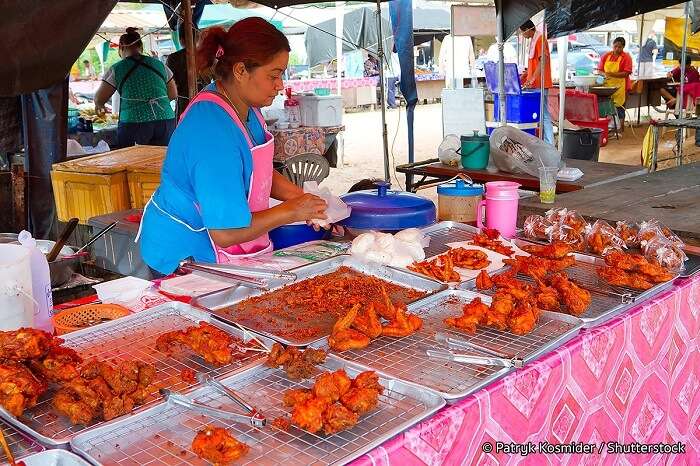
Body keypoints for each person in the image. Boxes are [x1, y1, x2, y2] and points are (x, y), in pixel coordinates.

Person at [138, 18, 328, 276]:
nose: (280, 85)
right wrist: (292, 211)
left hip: (230, 247)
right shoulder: (211, 131)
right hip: (186, 257)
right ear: (240, 71)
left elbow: (257, 174)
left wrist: (311, 203)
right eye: (274, 75)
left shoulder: (247, 108)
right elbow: (225, 232)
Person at [94, 27, 178, 148]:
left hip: (134, 124)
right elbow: (173, 94)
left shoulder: (117, 68)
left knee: (133, 162)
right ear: (141, 47)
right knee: (162, 160)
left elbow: (99, 98)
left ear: (121, 48)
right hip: (165, 121)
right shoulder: (159, 64)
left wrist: (99, 105)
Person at [166, 22, 213, 119]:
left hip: (184, 106)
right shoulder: (208, 56)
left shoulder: (173, 58)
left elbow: (171, 87)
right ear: (198, 37)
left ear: (181, 40)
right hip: (206, 103)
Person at [519, 20, 554, 145]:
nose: (522, 34)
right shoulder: (535, 40)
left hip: (540, 84)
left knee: (544, 115)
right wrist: (526, 75)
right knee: (539, 115)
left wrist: (533, 77)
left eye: (522, 31)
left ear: (528, 29)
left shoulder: (540, 39)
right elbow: (534, 63)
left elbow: (542, 60)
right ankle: (544, 143)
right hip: (534, 84)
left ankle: (550, 145)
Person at [598, 37, 633, 131]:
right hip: (606, 85)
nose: (617, 49)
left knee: (620, 107)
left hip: (621, 86)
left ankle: (620, 127)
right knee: (606, 106)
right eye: (615, 46)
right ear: (612, 46)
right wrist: (602, 75)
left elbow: (626, 73)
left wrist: (610, 74)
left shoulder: (626, 57)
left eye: (619, 47)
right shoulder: (606, 56)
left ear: (623, 47)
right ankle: (607, 126)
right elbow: (600, 70)